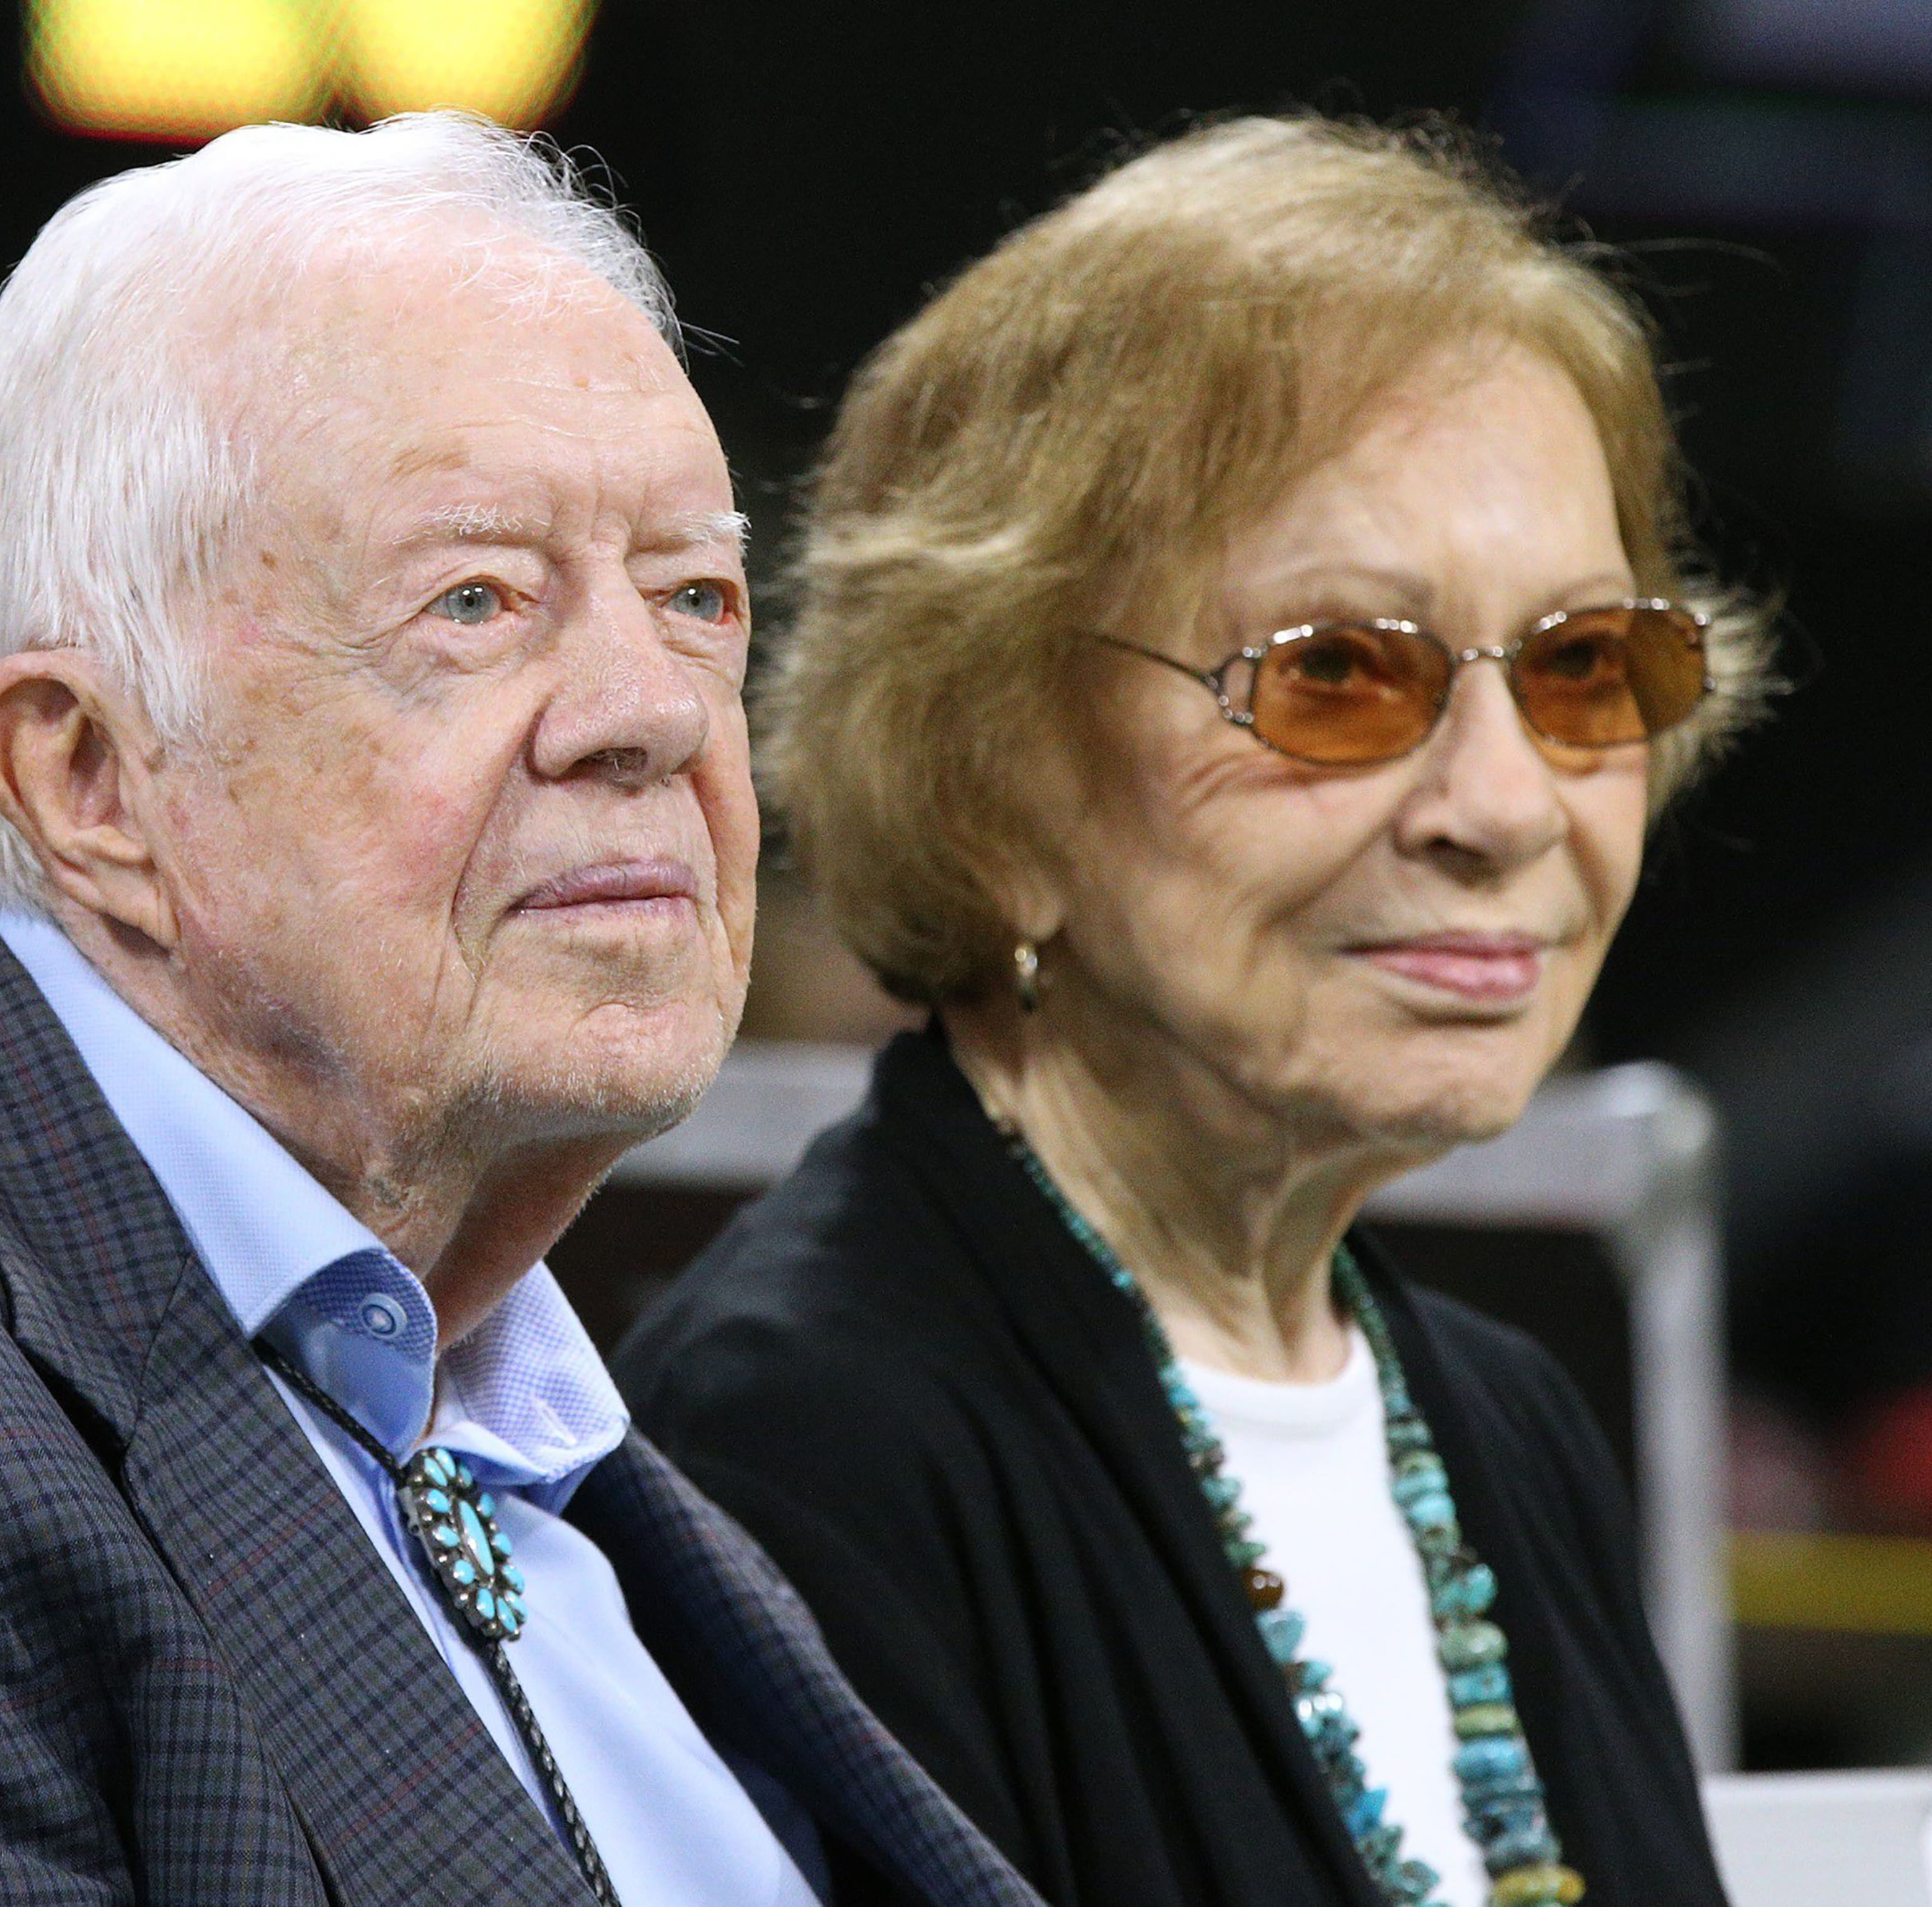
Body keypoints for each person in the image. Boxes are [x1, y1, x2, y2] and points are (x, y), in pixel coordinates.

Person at [0, 116, 1039, 1907]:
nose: (649, 711)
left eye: (694, 594)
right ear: (89, 776)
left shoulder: (533, 1407)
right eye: (477, 601)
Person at [617, 117, 1772, 1907]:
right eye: (1334, 675)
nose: (1510, 805)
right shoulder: (805, 1439)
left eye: (1581, 667)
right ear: (989, 776)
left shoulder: (1504, 1423)